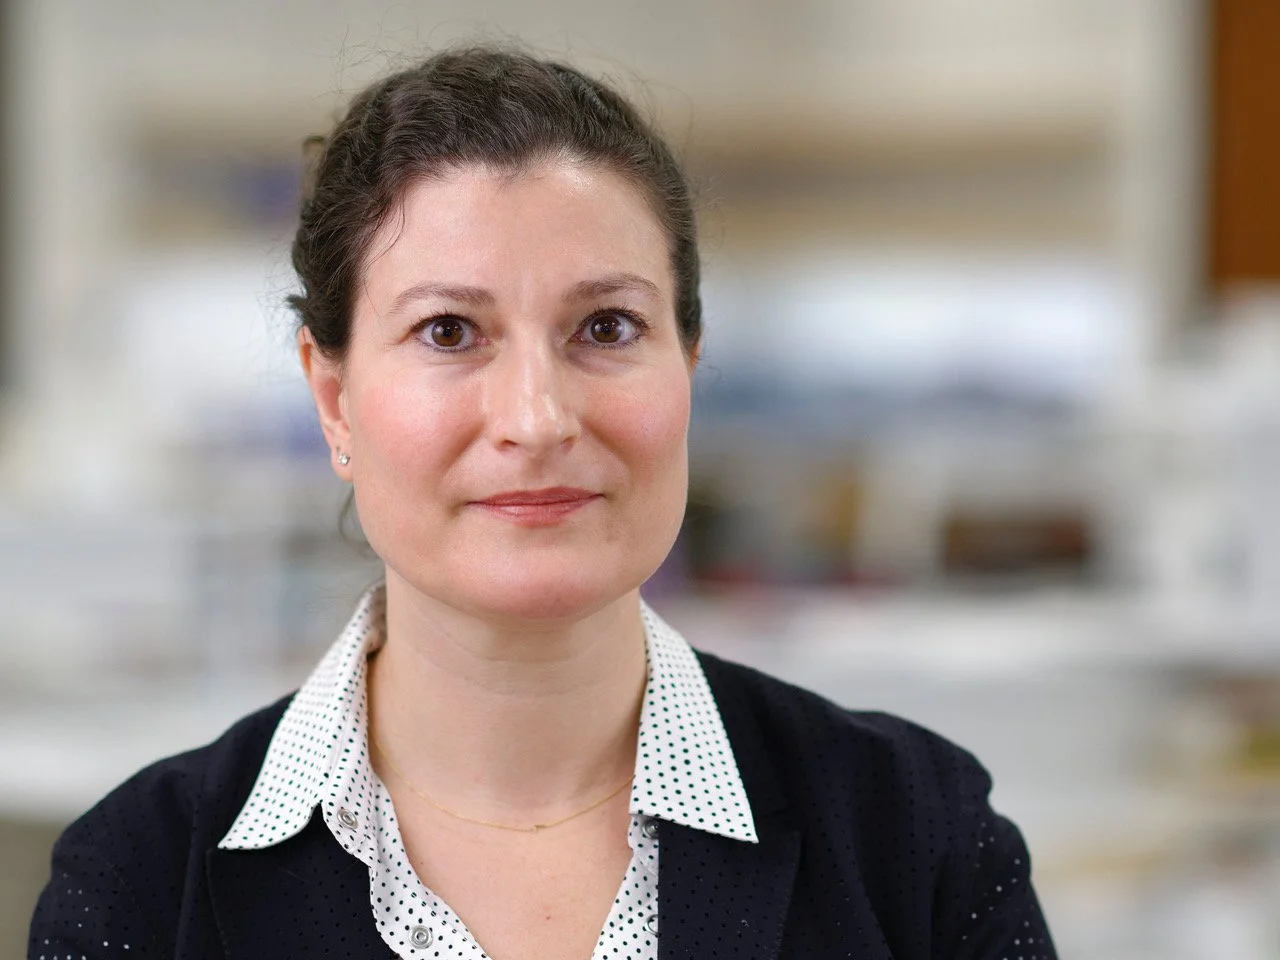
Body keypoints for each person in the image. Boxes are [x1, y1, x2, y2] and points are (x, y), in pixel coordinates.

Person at [29, 46, 1057, 960]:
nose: (536, 417)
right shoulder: (141, 881)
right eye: (447, 332)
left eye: (606, 328)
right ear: (334, 399)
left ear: (687, 368)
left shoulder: (911, 836)